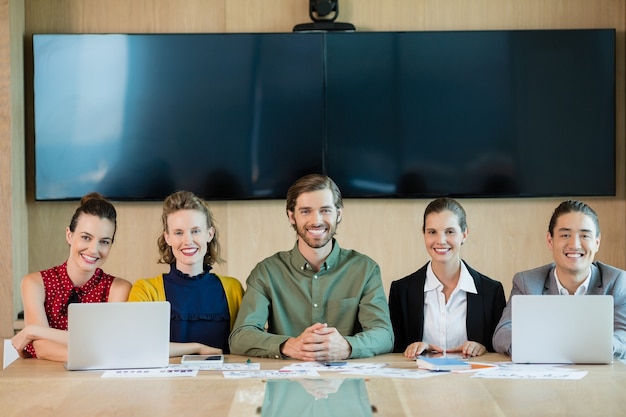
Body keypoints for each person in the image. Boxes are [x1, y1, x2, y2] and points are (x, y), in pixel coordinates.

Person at [228, 174, 394, 360]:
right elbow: (241, 336)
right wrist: (287, 345)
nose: (316, 220)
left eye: (325, 210)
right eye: (306, 211)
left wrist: (347, 346)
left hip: (346, 381)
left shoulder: (365, 269)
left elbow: (384, 335)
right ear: (292, 216)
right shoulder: (267, 271)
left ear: (338, 214)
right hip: (284, 382)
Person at [492, 200, 626, 359]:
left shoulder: (617, 280)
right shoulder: (527, 282)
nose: (575, 245)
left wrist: (598, 346)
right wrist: (533, 348)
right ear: (550, 241)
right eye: (565, 235)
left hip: (599, 374)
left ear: (596, 243)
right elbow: (503, 332)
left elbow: (623, 333)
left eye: (584, 235)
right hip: (543, 376)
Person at [11, 192, 132, 362]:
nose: (93, 249)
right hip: (42, 380)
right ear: (69, 235)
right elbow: (42, 348)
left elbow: (108, 343)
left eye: (104, 241)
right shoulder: (35, 283)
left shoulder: (119, 288)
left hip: (97, 381)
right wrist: (95, 354)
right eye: (85, 237)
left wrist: (36, 331)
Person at [128, 190, 244, 357]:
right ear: (167, 238)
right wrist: (197, 348)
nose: (188, 241)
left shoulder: (233, 288)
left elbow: (247, 341)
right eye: (178, 232)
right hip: (165, 383)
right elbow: (136, 346)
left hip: (222, 381)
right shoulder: (146, 290)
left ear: (209, 234)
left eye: (195, 231)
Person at [389, 197, 506, 358]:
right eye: (432, 232)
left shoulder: (492, 291)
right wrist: (412, 349)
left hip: (472, 381)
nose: (441, 241)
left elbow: (499, 348)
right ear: (424, 234)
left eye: (450, 232)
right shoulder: (401, 291)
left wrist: (483, 348)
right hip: (419, 380)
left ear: (465, 234)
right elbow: (394, 349)